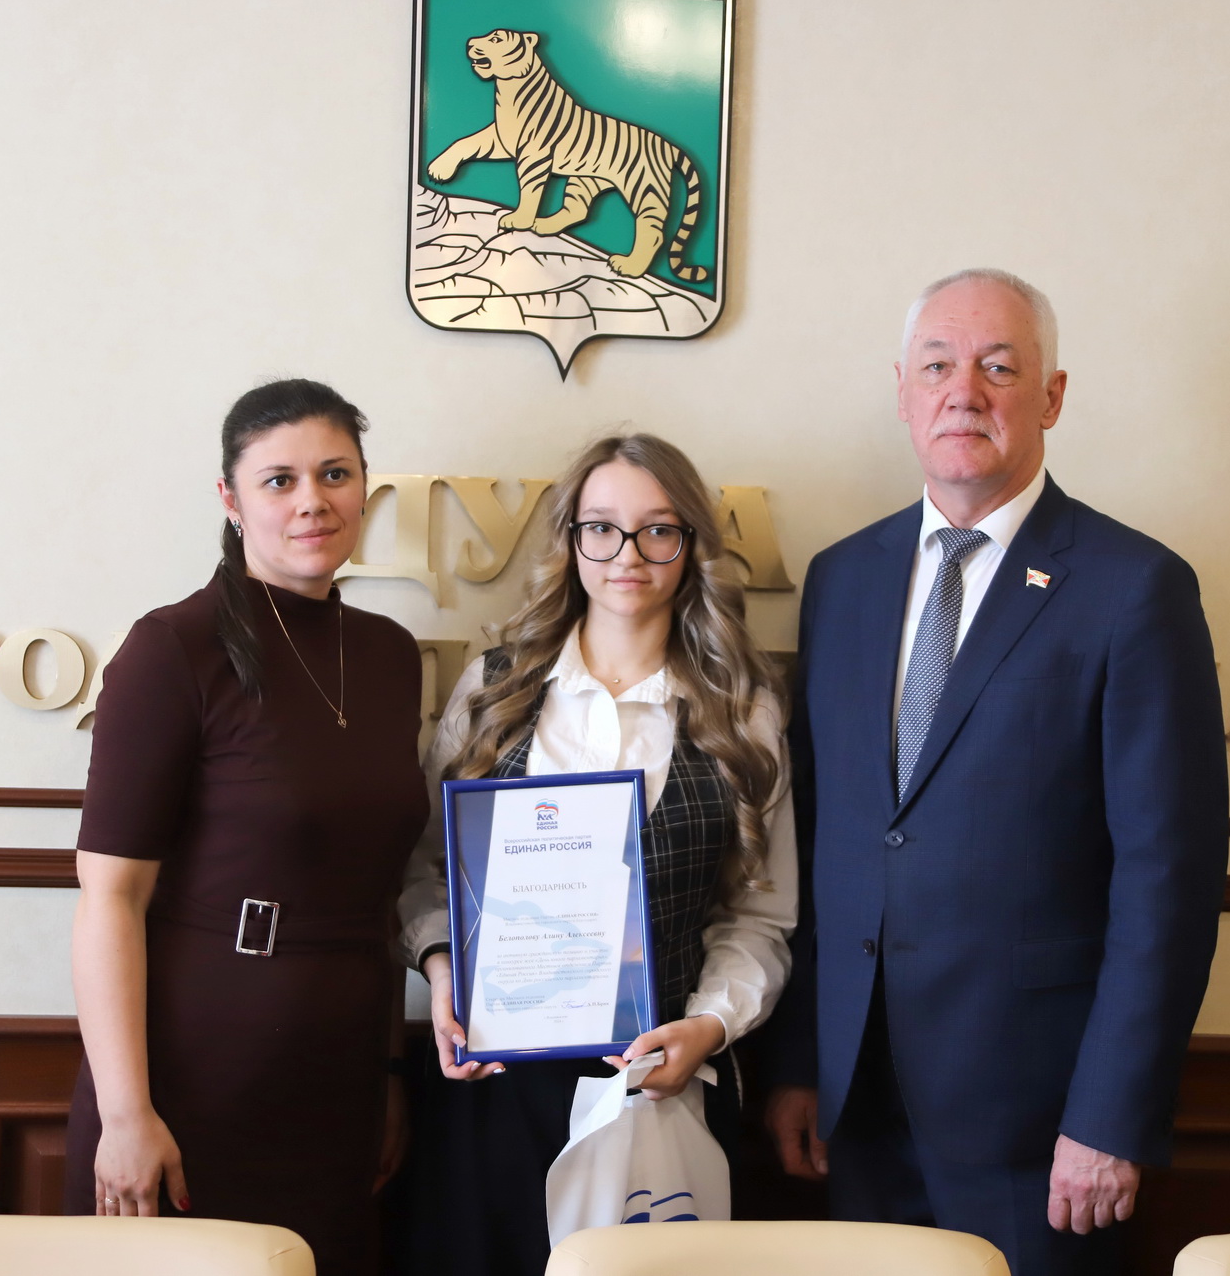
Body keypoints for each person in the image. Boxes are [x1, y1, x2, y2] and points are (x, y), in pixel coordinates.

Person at [761, 270, 1230, 1275]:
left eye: (998, 368)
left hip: (1041, 1123)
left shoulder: (1133, 588)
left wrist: (1110, 1115)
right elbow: (823, 838)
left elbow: (1169, 883)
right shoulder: (842, 578)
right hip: (859, 1101)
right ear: (902, 391)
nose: (962, 391)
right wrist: (800, 1062)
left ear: (1051, 396)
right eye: (936, 366)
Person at [397, 434, 797, 1276]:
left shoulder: (743, 709)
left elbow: (760, 917)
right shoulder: (494, 688)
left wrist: (709, 1024)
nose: (629, 554)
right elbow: (425, 871)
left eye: (659, 529)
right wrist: (442, 971)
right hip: (496, 1083)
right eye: (603, 527)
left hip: (664, 1084)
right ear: (571, 539)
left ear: (691, 544)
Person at [63, 380, 429, 1268]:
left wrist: (388, 1074)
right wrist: (125, 1113)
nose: (312, 500)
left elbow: (380, 894)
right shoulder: (171, 648)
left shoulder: (389, 653)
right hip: (193, 1072)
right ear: (230, 499)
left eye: (335, 473)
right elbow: (109, 897)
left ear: (365, 488)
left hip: (340, 1071)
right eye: (279, 479)